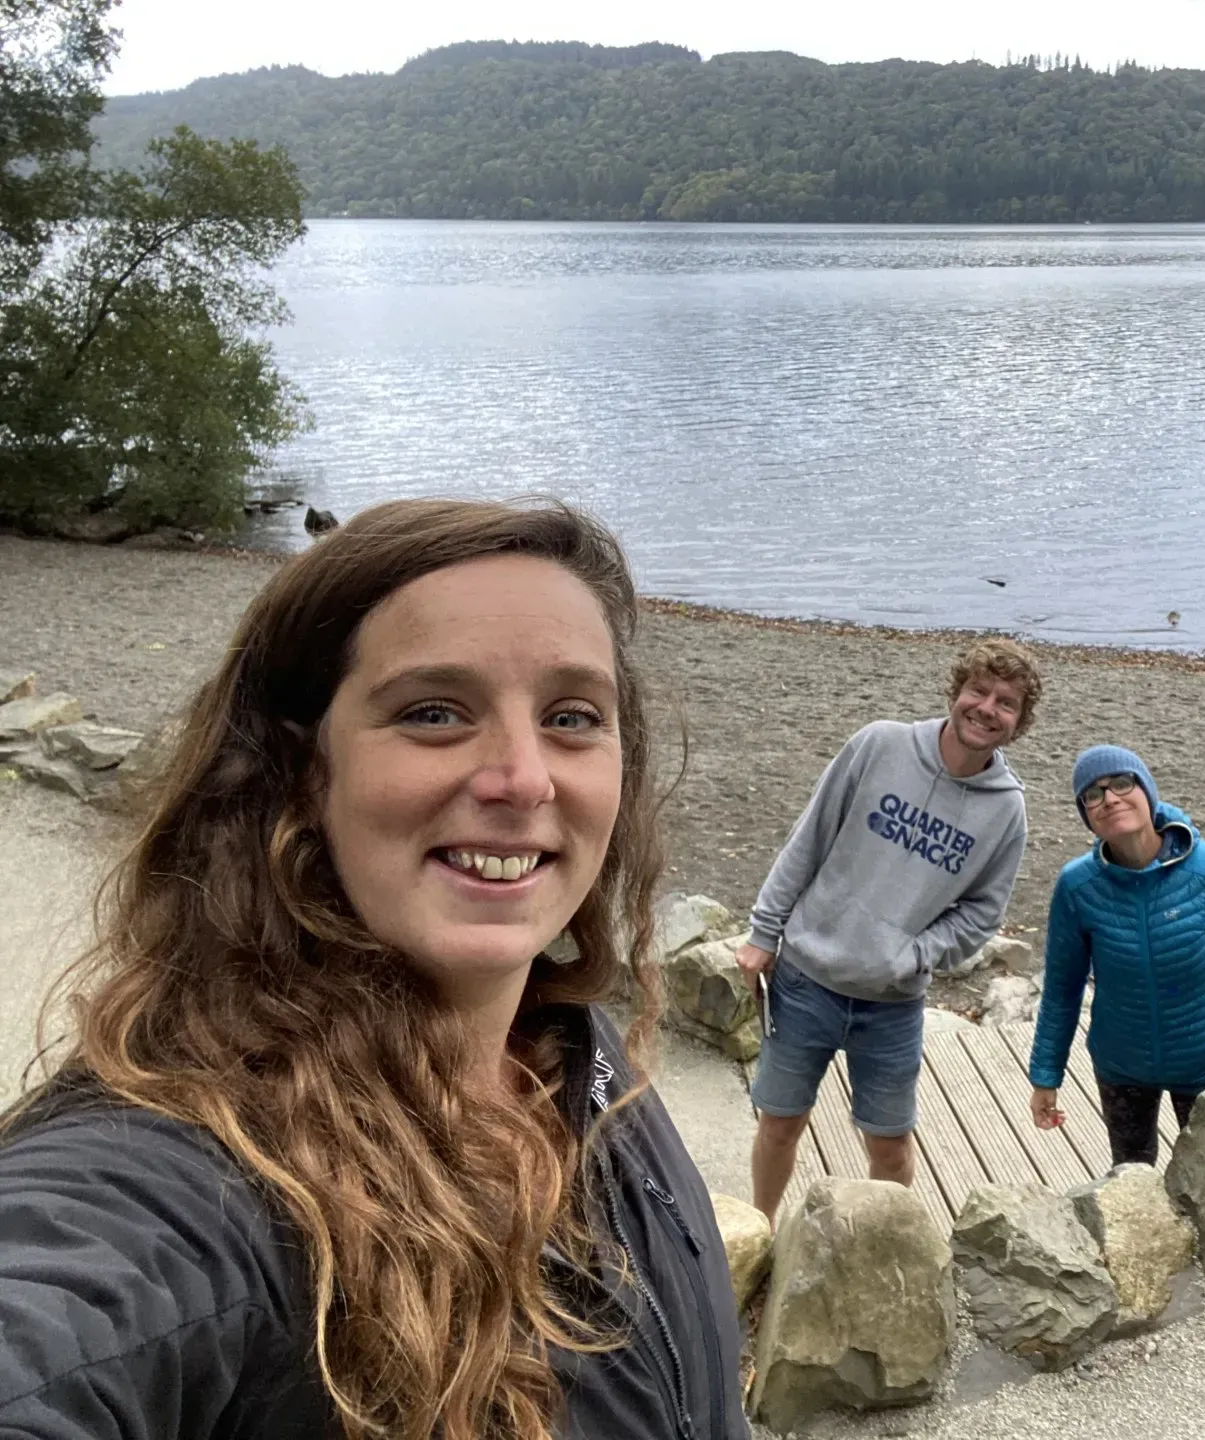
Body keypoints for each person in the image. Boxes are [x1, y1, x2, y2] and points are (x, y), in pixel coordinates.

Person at [0, 500, 749, 1440]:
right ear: (304, 774)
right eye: (433, 713)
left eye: (571, 716)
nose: (523, 779)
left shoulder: (578, 1058)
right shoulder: (203, 1173)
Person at [737, 640, 1038, 1221]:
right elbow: (809, 840)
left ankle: (890, 1251)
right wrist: (763, 932)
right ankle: (759, 1232)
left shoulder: (1006, 811)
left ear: (1018, 723)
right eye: (977, 690)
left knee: (892, 1146)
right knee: (780, 1124)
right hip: (806, 978)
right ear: (956, 693)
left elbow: (982, 913)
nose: (986, 707)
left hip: (893, 1004)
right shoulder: (881, 744)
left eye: (1006, 702)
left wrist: (915, 953)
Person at [1027, 745, 1205, 1168]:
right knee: (1131, 1177)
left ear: (1147, 791)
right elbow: (1061, 989)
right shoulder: (1077, 886)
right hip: (1121, 1067)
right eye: (1092, 794)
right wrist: (1045, 1075)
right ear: (1086, 814)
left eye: (1122, 783)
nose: (1109, 798)